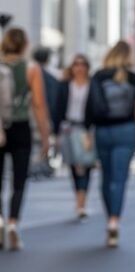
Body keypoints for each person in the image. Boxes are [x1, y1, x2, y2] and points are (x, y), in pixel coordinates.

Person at [85, 40, 135, 248]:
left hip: (102, 131)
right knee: (119, 179)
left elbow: (89, 107)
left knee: (106, 177)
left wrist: (87, 132)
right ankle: (114, 220)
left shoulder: (98, 76)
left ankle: (108, 217)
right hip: (126, 131)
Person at [0, 27, 51, 251]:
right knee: (19, 181)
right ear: (25, 45)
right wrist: (46, 136)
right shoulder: (31, 69)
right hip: (21, 128)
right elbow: (38, 105)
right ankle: (13, 224)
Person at [54, 54, 95, 220]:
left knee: (86, 164)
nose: (79, 68)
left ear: (87, 67)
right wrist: (56, 132)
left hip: (86, 129)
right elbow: (57, 108)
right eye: (76, 64)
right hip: (68, 128)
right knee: (73, 165)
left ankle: (82, 201)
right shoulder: (65, 86)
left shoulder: (92, 85)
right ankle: (78, 198)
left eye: (82, 64)